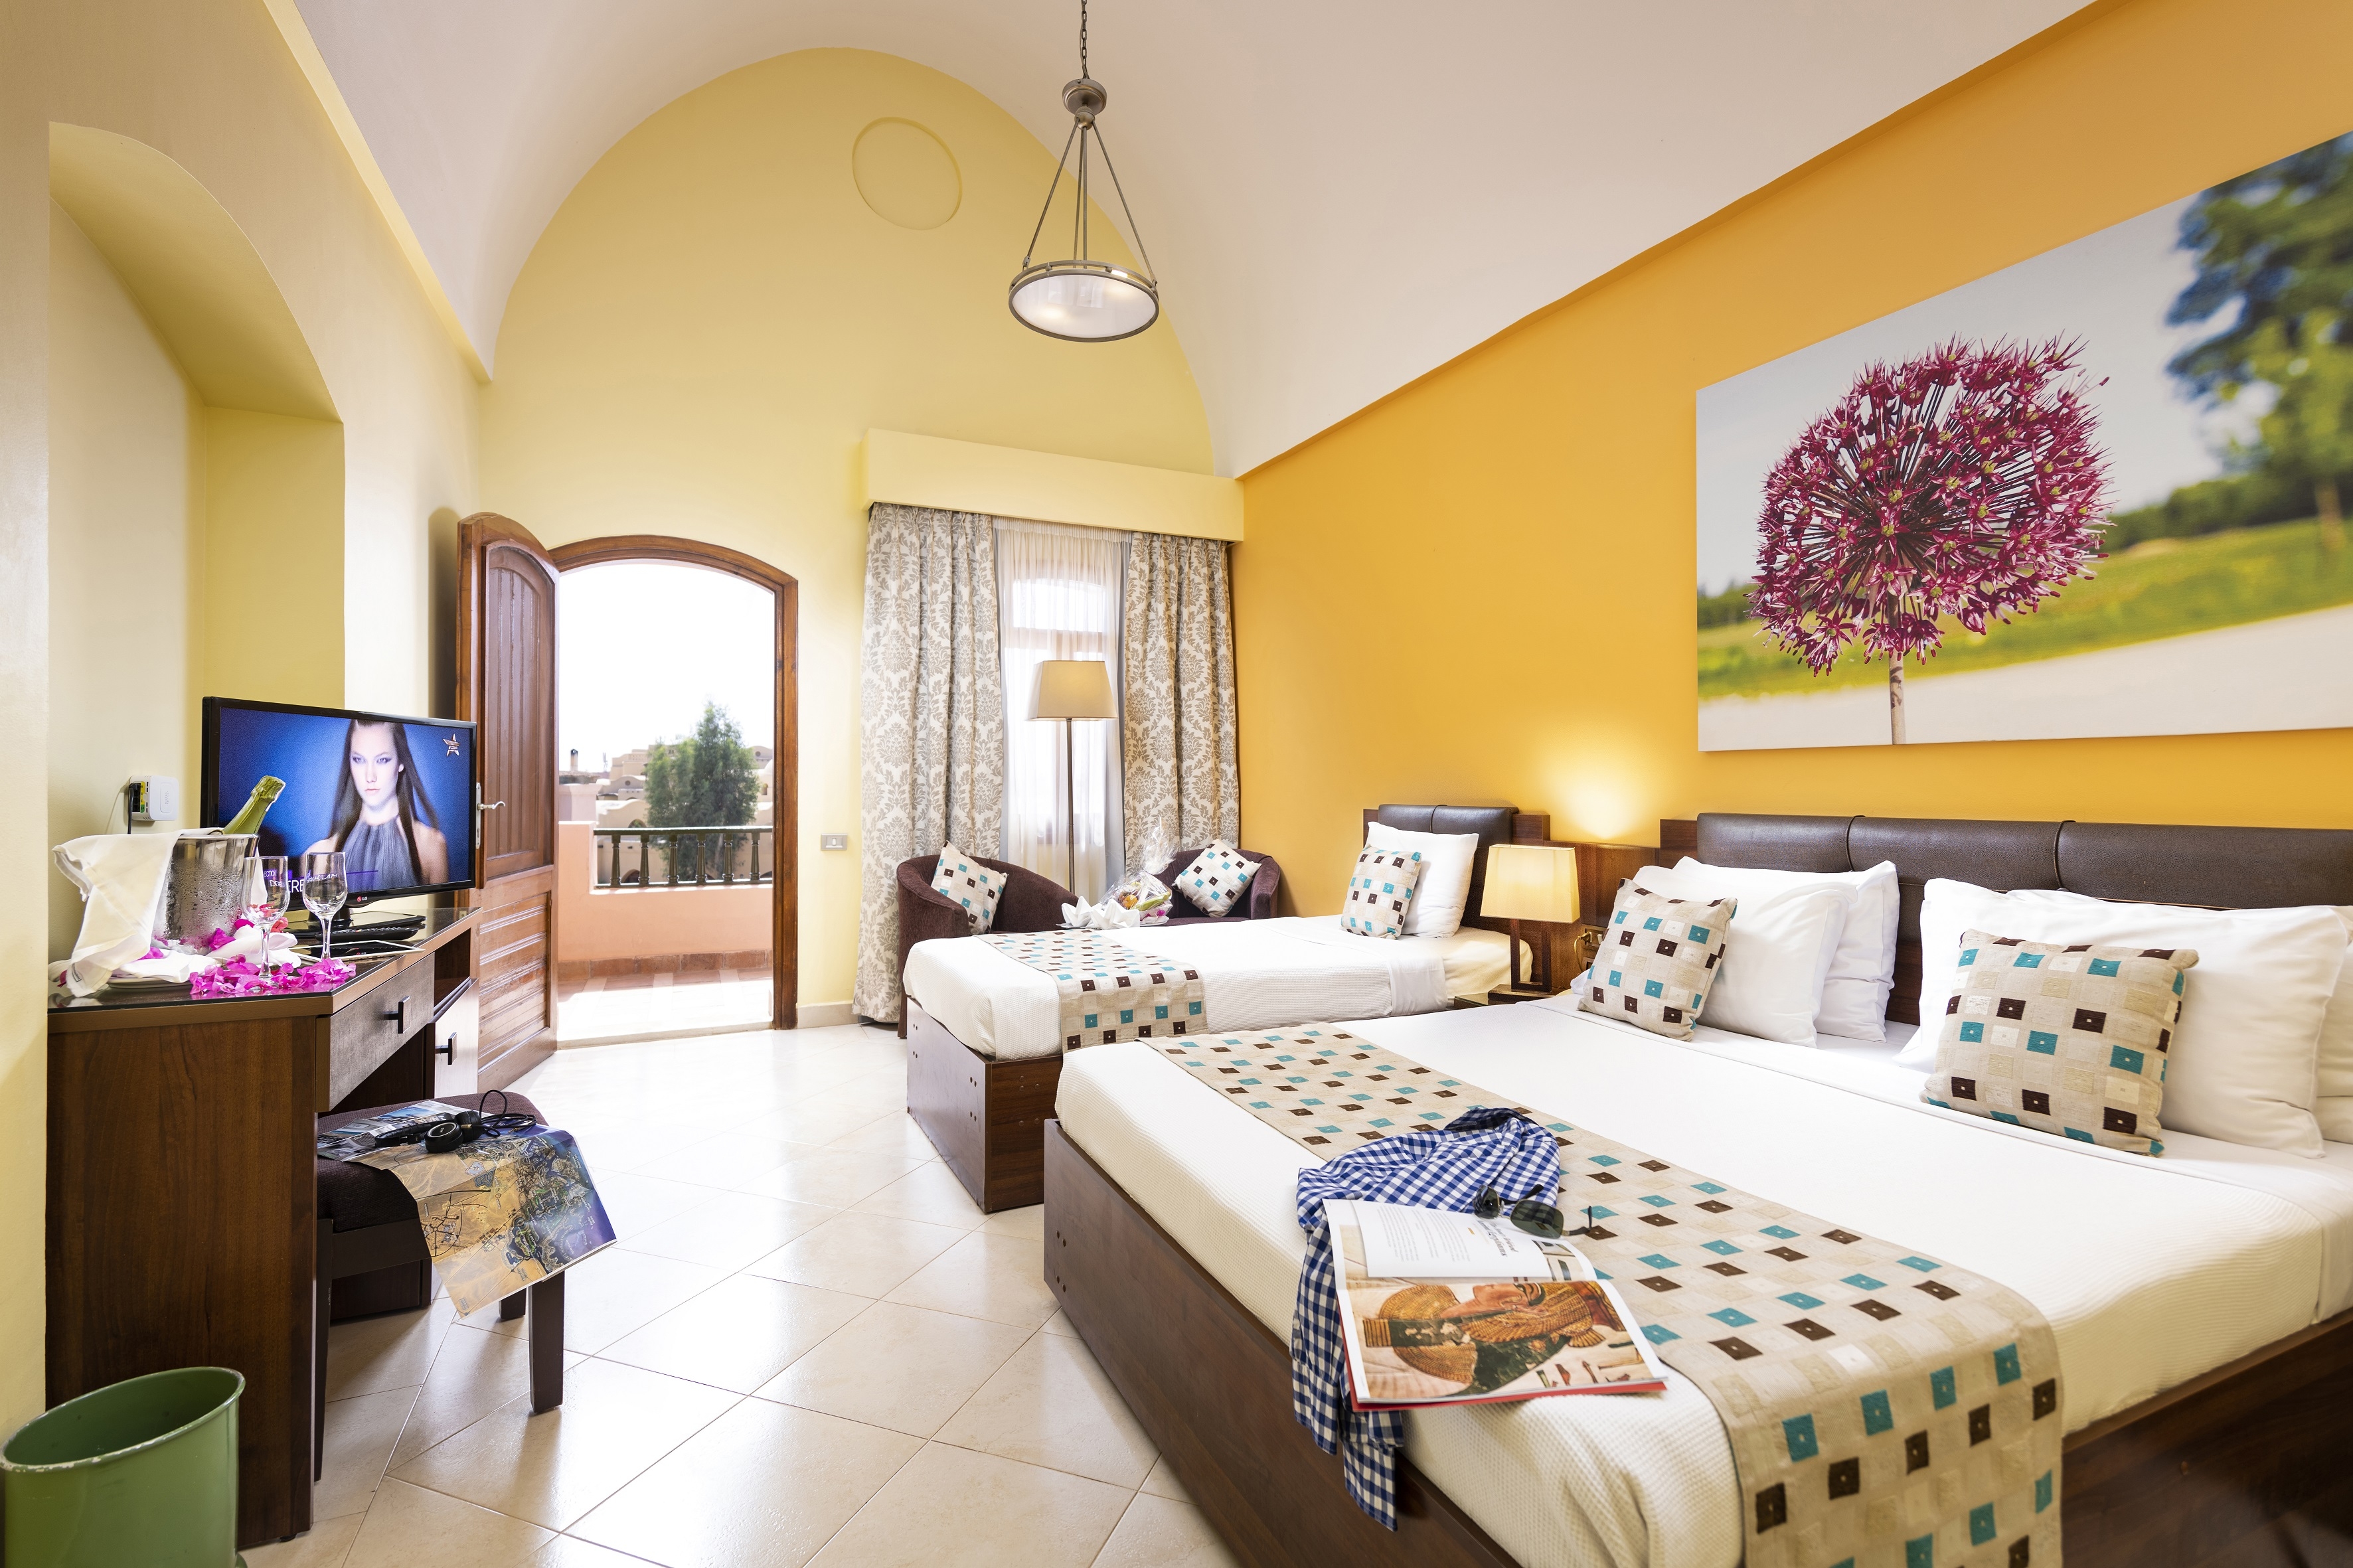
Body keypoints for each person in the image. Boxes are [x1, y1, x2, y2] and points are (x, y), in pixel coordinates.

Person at [307, 718, 449, 890]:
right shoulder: (319, 856)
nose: (370, 776)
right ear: (349, 762)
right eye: (359, 760)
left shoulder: (430, 846)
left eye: (382, 760)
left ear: (401, 761)